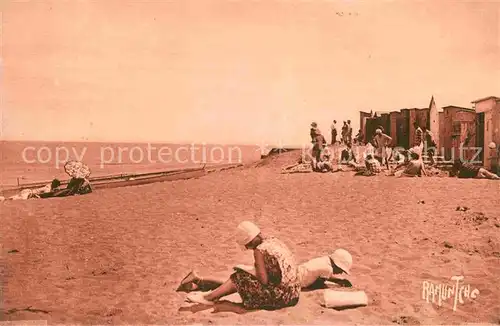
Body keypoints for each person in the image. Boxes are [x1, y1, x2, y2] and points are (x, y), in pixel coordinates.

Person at [184, 221, 301, 309]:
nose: (247, 248)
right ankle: (204, 287)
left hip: (281, 298)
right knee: (242, 279)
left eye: (248, 245)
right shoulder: (274, 241)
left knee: (238, 278)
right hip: (293, 294)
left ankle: (208, 297)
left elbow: (263, 280)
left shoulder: (259, 250)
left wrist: (249, 272)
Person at [178, 249, 353, 292]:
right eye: (340, 271)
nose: (339, 273)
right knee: (238, 286)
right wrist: (338, 283)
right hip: (287, 279)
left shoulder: (323, 261)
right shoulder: (327, 269)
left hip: (288, 271)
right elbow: (319, 284)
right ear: (337, 265)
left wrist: (338, 281)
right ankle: (198, 280)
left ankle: (197, 284)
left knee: (236, 282)